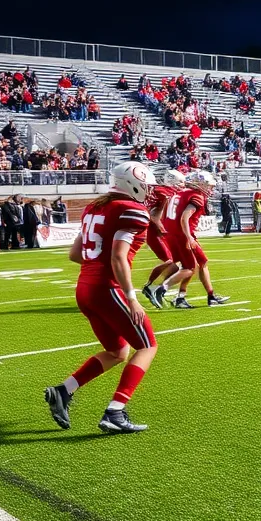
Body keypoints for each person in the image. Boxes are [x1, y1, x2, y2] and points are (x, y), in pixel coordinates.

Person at [43, 162, 158, 434]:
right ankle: (115, 411)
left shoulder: (94, 207)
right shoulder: (131, 210)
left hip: (85, 287)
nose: (149, 191)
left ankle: (64, 391)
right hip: (108, 288)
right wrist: (131, 297)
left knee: (118, 352)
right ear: (133, 183)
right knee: (147, 346)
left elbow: (74, 254)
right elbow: (118, 257)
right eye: (147, 185)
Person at [160, 170, 230, 309]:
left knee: (197, 264)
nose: (210, 188)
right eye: (208, 185)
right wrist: (189, 236)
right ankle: (162, 289)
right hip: (184, 234)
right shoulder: (196, 196)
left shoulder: (180, 193)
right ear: (200, 184)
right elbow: (185, 217)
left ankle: (191, 296)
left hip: (173, 233)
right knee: (194, 266)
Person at [142, 170, 186, 306]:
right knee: (169, 261)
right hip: (154, 231)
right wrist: (163, 229)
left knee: (176, 266)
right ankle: (149, 287)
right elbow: (154, 215)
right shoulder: (163, 193)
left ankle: (157, 288)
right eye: (180, 183)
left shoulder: (163, 191)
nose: (182, 186)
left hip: (158, 230)